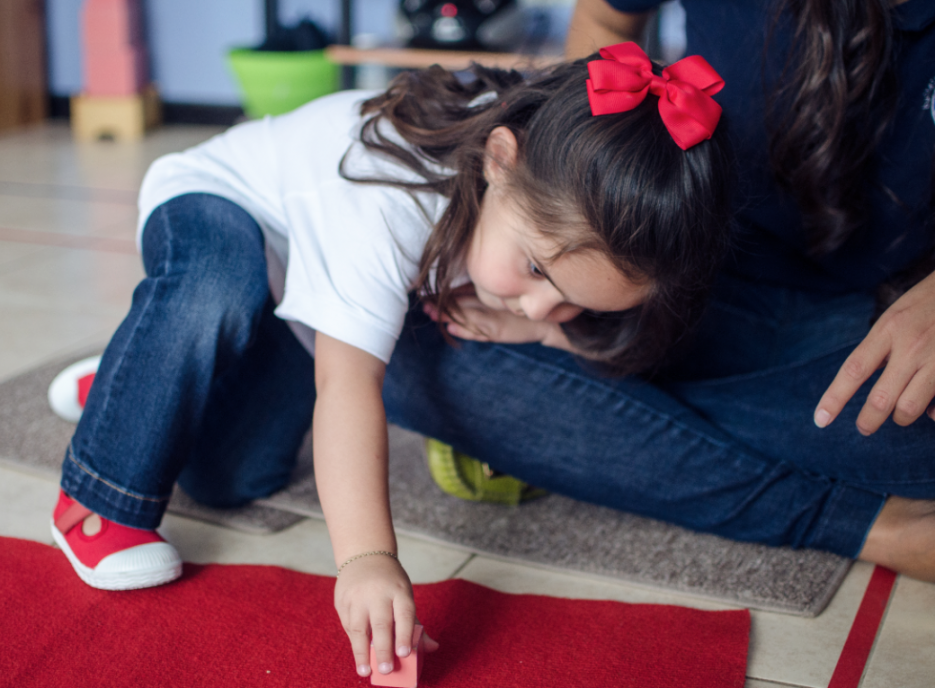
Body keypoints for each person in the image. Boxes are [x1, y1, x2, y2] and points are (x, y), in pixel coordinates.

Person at [49, 49, 733, 678]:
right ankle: (97, 497)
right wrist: (370, 560)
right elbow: (347, 387)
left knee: (232, 477)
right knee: (218, 284)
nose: (536, 308)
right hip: (222, 201)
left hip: (301, 274)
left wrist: (540, 326)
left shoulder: (550, 177)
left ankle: (133, 379)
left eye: (573, 302)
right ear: (499, 159)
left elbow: (544, 301)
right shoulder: (386, 204)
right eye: (533, 271)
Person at [393, 0, 935, 583]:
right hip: (662, 281)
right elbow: (605, 25)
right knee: (406, 352)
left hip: (886, 306)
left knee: (911, 433)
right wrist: (580, 215)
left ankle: (590, 431)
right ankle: (864, 524)